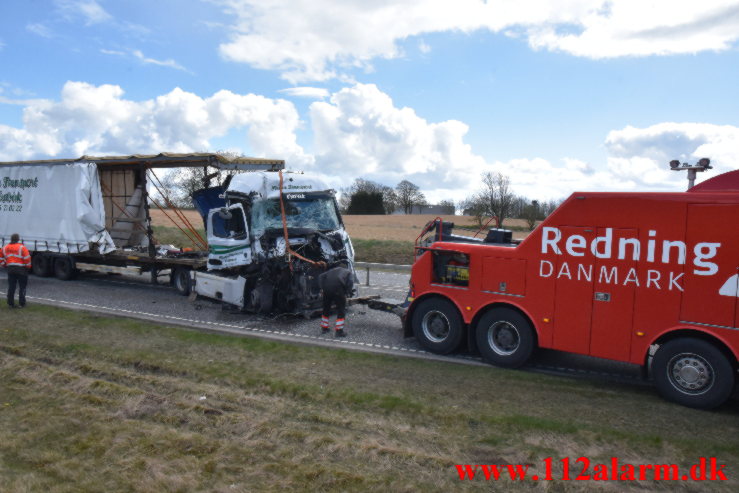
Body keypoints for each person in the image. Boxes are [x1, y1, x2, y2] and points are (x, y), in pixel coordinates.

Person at [318, 260, 355, 337]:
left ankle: (324, 328)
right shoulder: (348, 272)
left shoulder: (331, 270)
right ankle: (339, 331)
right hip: (338, 290)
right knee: (341, 310)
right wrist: (348, 292)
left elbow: (320, 276)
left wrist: (322, 288)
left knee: (326, 308)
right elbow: (350, 283)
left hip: (327, 290)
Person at [1, 233, 32, 308]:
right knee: (22, 287)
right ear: (18, 239)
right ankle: (22, 303)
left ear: (11, 239)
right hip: (21, 269)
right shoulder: (22, 248)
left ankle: (10, 303)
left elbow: (1, 259)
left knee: (11, 286)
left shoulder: (4, 248)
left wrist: (4, 265)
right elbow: (27, 258)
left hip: (10, 269)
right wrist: (28, 267)